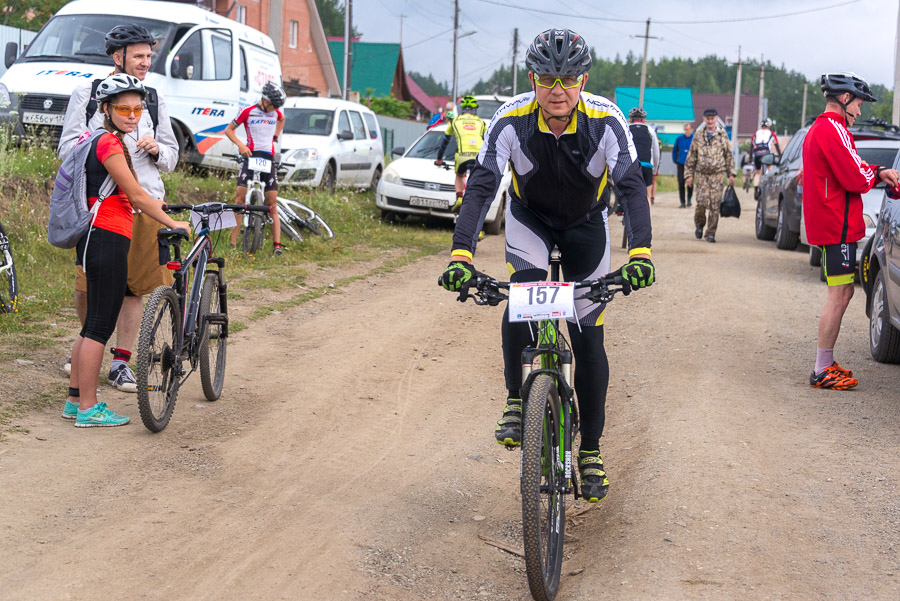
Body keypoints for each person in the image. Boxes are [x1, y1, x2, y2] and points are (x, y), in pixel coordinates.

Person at [438, 29, 654, 504]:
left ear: (584, 79)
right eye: (548, 78)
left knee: (588, 335)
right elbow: (481, 187)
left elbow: (633, 189)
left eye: (569, 78)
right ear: (532, 77)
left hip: (585, 226)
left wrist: (641, 252)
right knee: (522, 298)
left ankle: (591, 451)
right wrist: (461, 253)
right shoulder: (510, 119)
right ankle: (517, 399)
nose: (558, 89)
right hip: (530, 220)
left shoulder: (607, 120)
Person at [61, 75, 190, 427]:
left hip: (98, 236)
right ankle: (89, 408)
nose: (132, 115)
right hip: (106, 235)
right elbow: (136, 195)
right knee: (100, 326)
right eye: (123, 109)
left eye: (137, 108)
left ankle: (75, 400)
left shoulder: (97, 139)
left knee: (91, 326)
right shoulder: (109, 144)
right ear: (106, 109)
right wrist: (172, 223)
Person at [802, 72, 899, 390]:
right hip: (835, 226)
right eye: (858, 103)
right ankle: (821, 368)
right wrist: (879, 173)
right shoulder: (832, 129)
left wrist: (874, 171)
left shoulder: (826, 129)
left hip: (832, 224)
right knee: (839, 295)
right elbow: (854, 175)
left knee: (843, 292)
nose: (859, 111)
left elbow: (851, 167)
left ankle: (825, 363)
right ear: (844, 99)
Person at [226, 82, 286, 255]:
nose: (274, 109)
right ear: (265, 100)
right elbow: (229, 130)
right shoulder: (248, 111)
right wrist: (240, 145)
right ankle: (232, 242)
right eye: (273, 105)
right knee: (239, 199)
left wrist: (276, 135)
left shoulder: (276, 113)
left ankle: (277, 246)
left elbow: (281, 119)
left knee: (271, 203)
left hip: (268, 158)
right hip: (250, 155)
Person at [685, 108, 735, 243]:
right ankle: (699, 225)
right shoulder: (698, 135)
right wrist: (689, 175)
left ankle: (711, 233)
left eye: (712, 118)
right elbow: (691, 156)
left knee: (715, 205)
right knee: (701, 203)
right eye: (708, 118)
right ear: (704, 119)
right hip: (702, 175)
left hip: (717, 175)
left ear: (716, 119)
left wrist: (731, 174)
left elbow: (728, 155)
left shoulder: (722, 135)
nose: (710, 120)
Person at [435, 95, 487, 212]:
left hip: (462, 155)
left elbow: (444, 143)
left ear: (462, 109)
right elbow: (490, 140)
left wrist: (439, 159)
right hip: (479, 156)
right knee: (476, 181)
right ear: (475, 110)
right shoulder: (481, 122)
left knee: (459, 175)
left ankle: (459, 197)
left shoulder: (455, 121)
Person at [627, 107, 659, 205]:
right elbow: (656, 152)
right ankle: (646, 219)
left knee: (629, 194)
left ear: (631, 119)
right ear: (644, 119)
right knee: (647, 196)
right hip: (646, 166)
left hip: (631, 166)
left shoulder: (626, 128)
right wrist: (655, 168)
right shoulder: (650, 130)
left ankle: (626, 216)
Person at [751, 118, 781, 197]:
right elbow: (776, 144)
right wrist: (780, 156)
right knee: (770, 168)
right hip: (766, 152)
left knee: (758, 172)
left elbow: (751, 145)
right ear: (769, 126)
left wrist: (751, 157)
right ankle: (768, 186)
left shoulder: (756, 133)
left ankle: (755, 190)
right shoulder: (771, 133)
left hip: (757, 153)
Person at [672, 123, 694, 207]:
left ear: (692, 130)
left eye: (688, 129)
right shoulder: (679, 139)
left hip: (691, 165)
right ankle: (682, 202)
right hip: (681, 164)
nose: (686, 131)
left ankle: (689, 199)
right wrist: (675, 160)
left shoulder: (694, 139)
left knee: (690, 183)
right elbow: (674, 150)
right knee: (681, 183)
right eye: (685, 129)